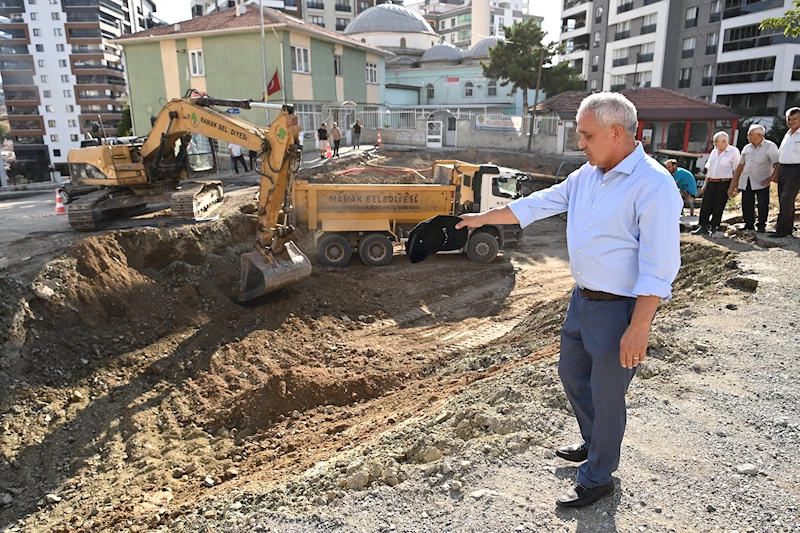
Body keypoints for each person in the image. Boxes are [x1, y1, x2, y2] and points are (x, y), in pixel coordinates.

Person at [456, 93, 682, 508]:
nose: (581, 143)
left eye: (586, 135)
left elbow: (659, 264)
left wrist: (640, 326)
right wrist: (484, 218)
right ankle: (594, 444)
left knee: (606, 394)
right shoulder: (588, 175)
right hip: (582, 302)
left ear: (616, 133)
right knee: (572, 376)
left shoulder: (653, 186)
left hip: (620, 310)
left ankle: (598, 477)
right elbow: (540, 203)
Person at [730, 124, 779, 233]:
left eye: (750, 134)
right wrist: (735, 182)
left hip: (762, 180)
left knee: (762, 204)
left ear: (759, 135)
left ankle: (761, 225)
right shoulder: (747, 148)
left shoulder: (770, 146)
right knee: (746, 203)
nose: (748, 136)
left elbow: (777, 163)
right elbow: (740, 166)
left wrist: (772, 177)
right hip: (746, 179)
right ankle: (748, 224)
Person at [692, 132, 740, 237]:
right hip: (711, 181)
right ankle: (703, 226)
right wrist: (705, 185)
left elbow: (737, 170)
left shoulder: (733, 152)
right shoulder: (714, 151)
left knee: (719, 205)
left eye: (716, 141)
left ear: (724, 141)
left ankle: (714, 227)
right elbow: (709, 169)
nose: (714, 143)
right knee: (705, 204)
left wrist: (733, 186)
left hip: (724, 182)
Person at [769, 107, 800, 238]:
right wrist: (775, 173)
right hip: (784, 169)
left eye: (795, 119)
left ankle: (780, 230)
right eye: (789, 119)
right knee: (784, 200)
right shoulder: (787, 134)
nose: (792, 122)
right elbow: (781, 156)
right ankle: (787, 229)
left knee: (787, 199)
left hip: (797, 169)